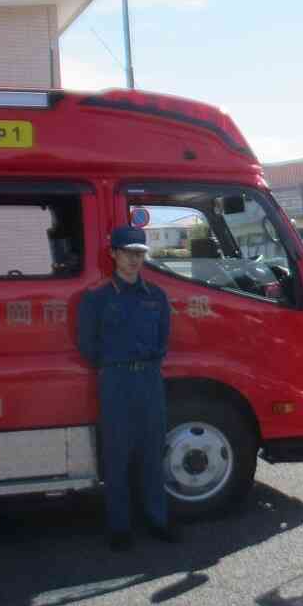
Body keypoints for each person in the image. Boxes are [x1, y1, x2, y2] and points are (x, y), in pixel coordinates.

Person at [77, 225, 177, 550]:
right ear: (113, 255)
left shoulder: (157, 297)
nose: (134, 260)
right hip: (116, 380)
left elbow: (163, 339)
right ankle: (119, 528)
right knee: (117, 455)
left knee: (152, 451)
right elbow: (87, 345)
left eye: (139, 254)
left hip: (149, 379)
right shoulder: (96, 298)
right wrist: (114, 365)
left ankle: (157, 520)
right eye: (127, 253)